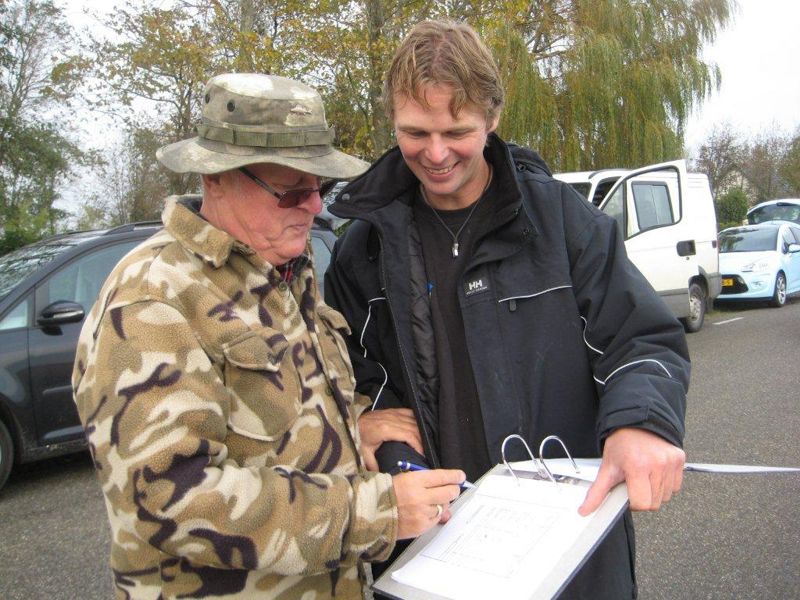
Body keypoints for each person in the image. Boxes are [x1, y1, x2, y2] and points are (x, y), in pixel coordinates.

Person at [324, 21, 689, 599]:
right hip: (432, 551)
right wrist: (361, 421)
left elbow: (640, 339)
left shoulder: (562, 222)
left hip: (567, 547)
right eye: (415, 132)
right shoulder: (361, 248)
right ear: (392, 121)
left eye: (457, 131)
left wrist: (640, 422)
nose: (436, 154)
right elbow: (340, 373)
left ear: (492, 119)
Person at [71, 72, 465, 600]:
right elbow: (174, 497)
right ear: (217, 179)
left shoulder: (281, 270)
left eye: (319, 188)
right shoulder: (153, 302)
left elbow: (283, 416)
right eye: (290, 192)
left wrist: (355, 426)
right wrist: (378, 512)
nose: (314, 208)